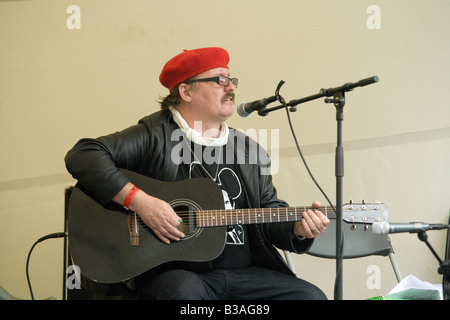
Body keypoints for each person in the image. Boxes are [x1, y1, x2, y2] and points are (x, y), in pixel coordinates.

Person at [65, 47, 330, 300]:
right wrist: (140, 201)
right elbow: (84, 155)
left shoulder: (249, 150)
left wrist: (298, 230)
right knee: (184, 294)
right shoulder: (154, 134)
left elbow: (269, 210)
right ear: (186, 91)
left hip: (244, 272)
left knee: (310, 296)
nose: (232, 87)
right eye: (220, 80)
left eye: (231, 79)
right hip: (177, 274)